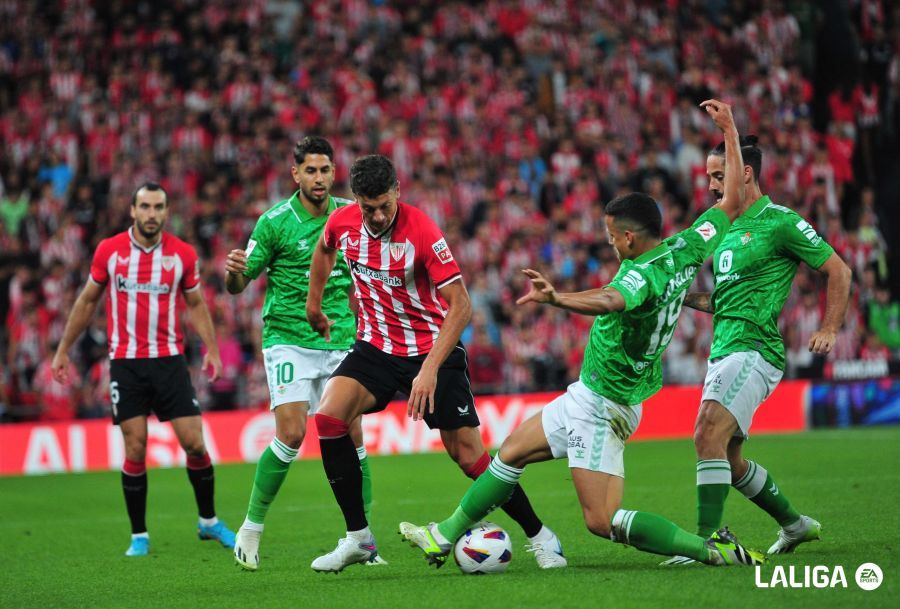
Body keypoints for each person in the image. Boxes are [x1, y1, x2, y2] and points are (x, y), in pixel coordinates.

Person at [400, 100, 764, 568]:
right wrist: (731, 130)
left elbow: (611, 299)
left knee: (602, 521)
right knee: (509, 454)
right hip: (595, 394)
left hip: (604, 405)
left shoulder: (639, 274)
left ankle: (707, 550)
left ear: (631, 238)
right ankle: (445, 534)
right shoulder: (688, 246)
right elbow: (732, 201)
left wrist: (559, 299)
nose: (609, 241)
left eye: (613, 235)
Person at [305, 154, 566, 572]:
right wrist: (313, 304)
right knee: (329, 418)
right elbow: (324, 251)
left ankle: (541, 535)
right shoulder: (342, 223)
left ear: (398, 192)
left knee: (468, 457)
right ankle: (359, 540)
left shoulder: (423, 231)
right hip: (375, 346)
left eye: (384, 206)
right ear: (355, 200)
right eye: (367, 208)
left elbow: (461, 307)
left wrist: (428, 369)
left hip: (432, 347)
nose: (376, 216)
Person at [665, 109, 853, 565]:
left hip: (755, 349)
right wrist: (679, 296)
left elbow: (838, 270)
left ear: (743, 172)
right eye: (709, 177)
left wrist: (828, 328)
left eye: (718, 175)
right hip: (725, 346)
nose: (711, 186)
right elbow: (723, 299)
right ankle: (794, 524)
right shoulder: (726, 227)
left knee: (705, 431)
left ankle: (706, 542)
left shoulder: (780, 221)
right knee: (728, 463)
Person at [51, 182, 235, 557]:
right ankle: (139, 535)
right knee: (135, 447)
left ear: (167, 212)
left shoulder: (182, 254)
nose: (152, 214)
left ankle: (209, 522)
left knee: (195, 443)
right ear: (133, 211)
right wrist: (63, 349)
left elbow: (197, 304)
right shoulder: (110, 251)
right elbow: (88, 300)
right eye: (146, 207)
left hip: (169, 360)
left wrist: (212, 350)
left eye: (159, 207)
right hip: (126, 363)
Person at [224, 136, 379, 571]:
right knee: (291, 434)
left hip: (341, 338)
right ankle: (251, 528)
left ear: (334, 172)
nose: (318, 178)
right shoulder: (274, 222)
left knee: (353, 437)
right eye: (310, 170)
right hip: (288, 337)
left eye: (325, 170)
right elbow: (241, 281)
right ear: (296, 174)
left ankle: (362, 540)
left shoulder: (352, 215)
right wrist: (233, 275)